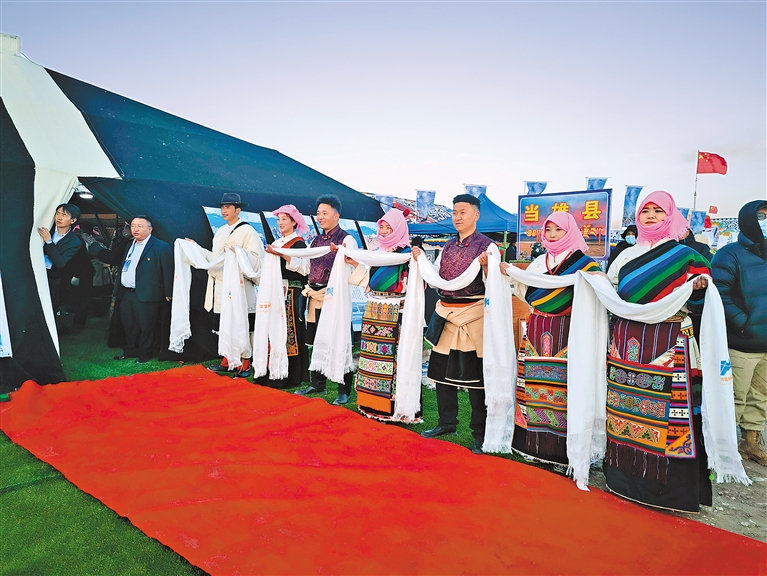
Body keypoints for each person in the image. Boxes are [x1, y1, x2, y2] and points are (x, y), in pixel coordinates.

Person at [604, 191, 713, 512]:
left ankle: (669, 490)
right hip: (627, 345)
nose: (650, 216)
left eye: (658, 211)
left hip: (670, 341)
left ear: (670, 216)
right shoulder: (625, 255)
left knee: (672, 415)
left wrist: (698, 291)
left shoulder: (687, 256)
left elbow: (702, 303)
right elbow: (611, 294)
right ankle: (623, 479)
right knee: (624, 410)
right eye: (645, 211)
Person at [500, 212, 600, 466]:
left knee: (565, 388)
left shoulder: (585, 264)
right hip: (536, 327)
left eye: (559, 230)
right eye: (549, 230)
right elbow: (524, 291)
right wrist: (510, 274)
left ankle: (562, 452)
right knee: (531, 384)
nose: (553, 235)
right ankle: (531, 445)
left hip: (568, 331)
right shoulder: (538, 263)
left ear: (571, 232)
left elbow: (594, 294)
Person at [412, 194, 492, 454]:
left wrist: (488, 268)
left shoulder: (488, 246)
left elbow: (495, 284)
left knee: (476, 379)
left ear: (476, 215)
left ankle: (480, 433)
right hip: (446, 312)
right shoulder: (447, 246)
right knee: (440, 373)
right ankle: (447, 423)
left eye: (463, 212)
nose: (457, 217)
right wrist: (421, 260)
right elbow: (436, 276)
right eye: (455, 212)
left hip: (473, 315)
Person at [345, 209, 419, 421]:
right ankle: (370, 403)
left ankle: (393, 407)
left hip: (395, 312)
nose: (384, 231)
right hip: (374, 310)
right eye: (382, 227)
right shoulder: (378, 253)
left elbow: (414, 284)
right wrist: (355, 264)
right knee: (371, 357)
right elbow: (371, 283)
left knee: (393, 358)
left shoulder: (407, 253)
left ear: (399, 229)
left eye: (389, 227)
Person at [712, 200, 767, 466]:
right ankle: (723, 448)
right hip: (741, 342)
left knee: (760, 396)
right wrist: (743, 323)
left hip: (765, 344)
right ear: (748, 220)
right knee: (734, 397)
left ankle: (751, 442)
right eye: (761, 217)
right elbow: (719, 294)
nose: (765, 222)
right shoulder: (729, 255)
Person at [190, 193, 264, 378]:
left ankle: (245, 362)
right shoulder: (221, 231)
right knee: (225, 324)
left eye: (228, 207)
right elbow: (215, 259)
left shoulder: (247, 231)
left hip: (239, 285)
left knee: (242, 323)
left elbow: (257, 260)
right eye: (222, 207)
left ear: (238, 210)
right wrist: (195, 249)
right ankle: (228, 359)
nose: (224, 211)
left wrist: (238, 252)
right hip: (221, 285)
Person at [294, 194, 359, 405]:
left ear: (336, 215)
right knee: (317, 342)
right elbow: (306, 267)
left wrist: (341, 253)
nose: (320, 217)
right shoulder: (316, 241)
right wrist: (283, 255)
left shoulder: (346, 240)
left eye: (325, 213)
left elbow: (354, 266)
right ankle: (318, 383)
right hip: (315, 296)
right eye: (318, 213)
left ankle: (343, 389)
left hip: (336, 300)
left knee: (340, 341)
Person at [91, 216, 173, 363]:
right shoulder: (129, 245)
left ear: (150, 229)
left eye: (140, 226)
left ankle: (144, 354)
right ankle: (130, 351)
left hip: (147, 294)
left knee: (146, 326)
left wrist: (168, 292)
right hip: (126, 293)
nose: (135, 229)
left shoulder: (160, 246)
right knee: (129, 324)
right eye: (133, 226)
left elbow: (167, 270)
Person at [260, 205, 311, 388]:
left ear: (294, 222)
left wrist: (283, 255)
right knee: (275, 330)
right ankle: (274, 369)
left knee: (291, 331)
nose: (280, 223)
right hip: (277, 290)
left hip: (292, 290)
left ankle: (291, 375)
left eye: (284, 219)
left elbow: (305, 268)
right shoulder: (277, 242)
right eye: (278, 219)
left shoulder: (299, 244)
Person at [38, 203, 84, 315]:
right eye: (58, 213)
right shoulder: (48, 228)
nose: (59, 217)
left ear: (73, 220)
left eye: (64, 215)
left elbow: (60, 262)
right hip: (35, 271)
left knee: (49, 307)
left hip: (52, 277)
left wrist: (49, 241)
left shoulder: (75, 242)